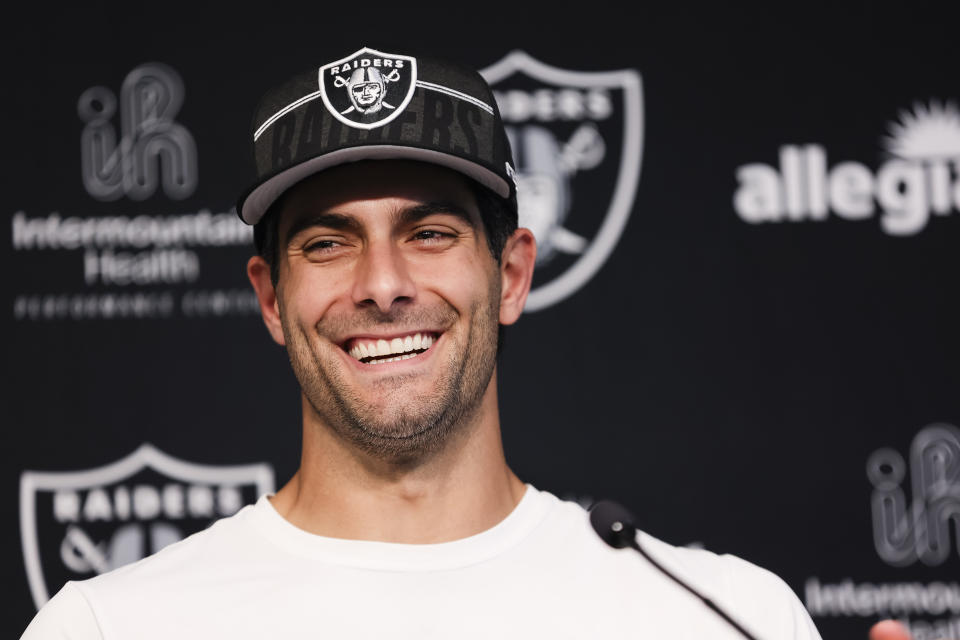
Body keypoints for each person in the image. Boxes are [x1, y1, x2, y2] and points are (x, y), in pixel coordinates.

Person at [22, 45, 868, 640]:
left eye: (428, 233)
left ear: (511, 275)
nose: (382, 285)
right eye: (328, 242)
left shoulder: (725, 619)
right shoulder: (109, 628)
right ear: (272, 298)